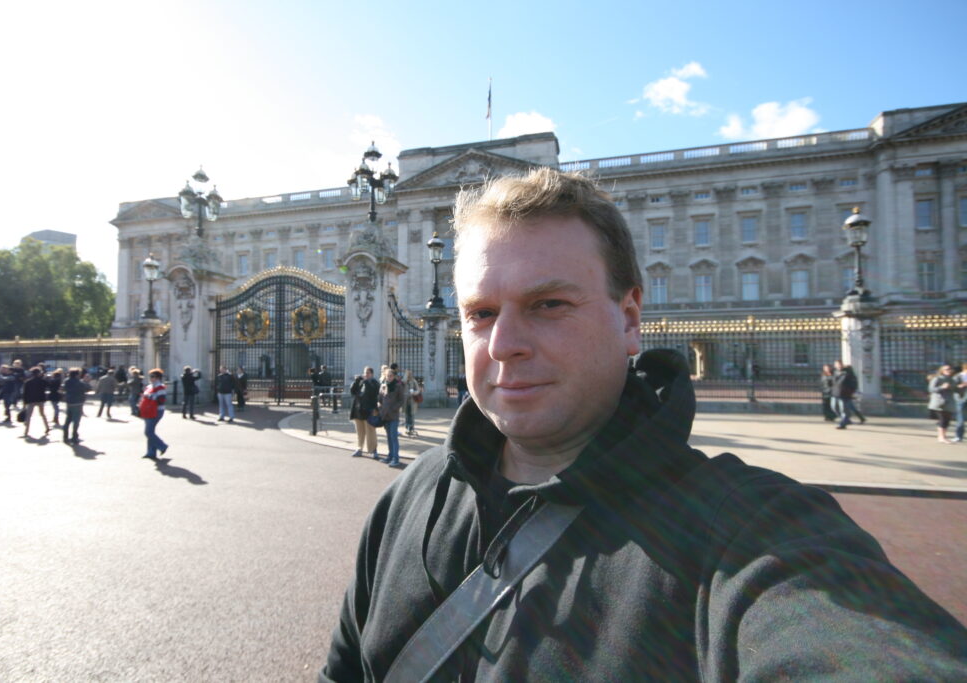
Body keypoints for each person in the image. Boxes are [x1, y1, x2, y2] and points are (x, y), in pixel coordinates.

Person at [321, 168, 967, 680]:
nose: (504, 344)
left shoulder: (748, 529)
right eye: (481, 313)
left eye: (549, 304)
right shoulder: (413, 492)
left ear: (629, 317)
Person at [349, 366, 380, 460]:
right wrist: (357, 380)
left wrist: (366, 381)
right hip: (358, 410)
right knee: (360, 432)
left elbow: (373, 392)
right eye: (365, 372)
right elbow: (352, 391)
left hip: (369, 411)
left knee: (370, 432)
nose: (366, 374)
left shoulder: (374, 383)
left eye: (368, 373)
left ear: (372, 374)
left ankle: (373, 450)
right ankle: (359, 448)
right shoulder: (361, 382)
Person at [378, 366, 405, 468]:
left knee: (394, 437)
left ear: (394, 376)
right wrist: (380, 408)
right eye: (387, 376)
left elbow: (402, 400)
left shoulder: (398, 386)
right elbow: (379, 399)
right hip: (385, 414)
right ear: (385, 376)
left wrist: (394, 408)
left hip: (393, 415)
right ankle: (390, 456)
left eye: (391, 376)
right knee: (389, 437)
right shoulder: (383, 386)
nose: (389, 377)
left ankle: (396, 458)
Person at [139, 368, 168, 460]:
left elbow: (161, 400)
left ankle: (162, 446)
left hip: (156, 410)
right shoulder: (149, 386)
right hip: (148, 410)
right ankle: (151, 452)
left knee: (148, 432)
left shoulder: (160, 387)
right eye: (150, 376)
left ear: (158, 378)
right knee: (151, 432)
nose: (151, 378)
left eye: (152, 376)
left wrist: (148, 396)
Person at [928, 363, 958, 444]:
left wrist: (958, 387)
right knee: (943, 419)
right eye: (946, 369)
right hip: (939, 403)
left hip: (949, 403)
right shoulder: (937, 379)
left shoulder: (952, 379)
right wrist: (942, 387)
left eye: (950, 369)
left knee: (947, 420)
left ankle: (942, 436)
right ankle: (941, 437)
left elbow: (955, 389)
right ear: (942, 371)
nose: (949, 371)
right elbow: (931, 389)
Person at [831, 359, 864, 429]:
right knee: (834, 407)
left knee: (844, 409)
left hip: (844, 393)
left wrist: (851, 391)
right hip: (835, 393)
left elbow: (854, 383)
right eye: (837, 364)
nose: (838, 366)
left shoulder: (848, 372)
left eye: (839, 364)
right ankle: (846, 419)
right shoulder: (835, 372)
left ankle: (843, 423)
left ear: (842, 364)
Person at [21, 366, 50, 438]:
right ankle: (47, 427)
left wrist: (24, 403)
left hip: (31, 400)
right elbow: (49, 385)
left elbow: (25, 393)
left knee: (29, 416)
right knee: (42, 414)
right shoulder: (42, 381)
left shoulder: (28, 382)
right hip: (40, 399)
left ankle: (26, 431)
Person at [62, 367, 89, 444]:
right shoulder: (80, 382)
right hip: (78, 402)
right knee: (76, 421)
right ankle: (74, 436)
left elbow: (63, 389)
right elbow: (87, 388)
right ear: (77, 374)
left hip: (69, 402)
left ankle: (65, 436)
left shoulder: (66, 381)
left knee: (68, 420)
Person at [402, 369, 421, 437]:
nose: (409, 375)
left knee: (411, 414)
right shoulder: (404, 381)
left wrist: (414, 392)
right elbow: (403, 381)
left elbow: (418, 390)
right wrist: (406, 375)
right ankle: (407, 427)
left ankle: (411, 428)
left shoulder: (414, 381)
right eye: (408, 374)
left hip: (412, 401)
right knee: (407, 414)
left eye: (410, 374)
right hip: (406, 401)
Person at [953, 362, 967, 443]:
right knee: (960, 418)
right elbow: (953, 387)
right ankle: (959, 436)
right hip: (961, 399)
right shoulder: (958, 376)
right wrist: (961, 386)